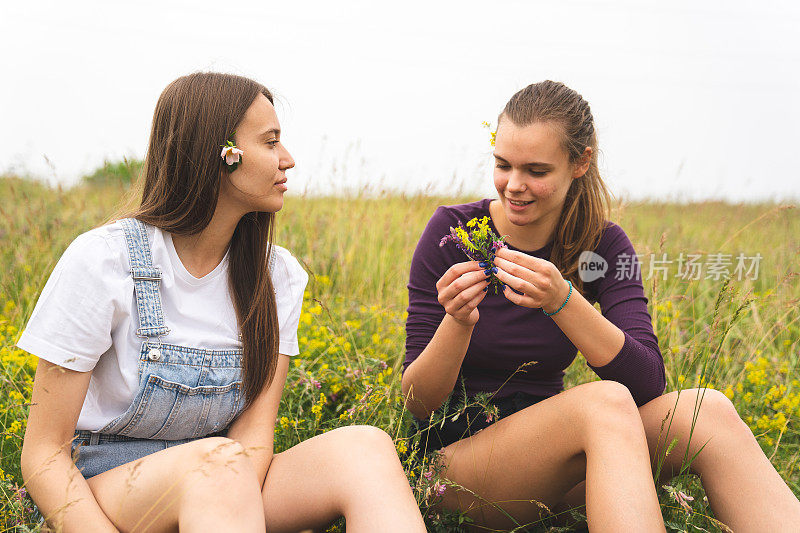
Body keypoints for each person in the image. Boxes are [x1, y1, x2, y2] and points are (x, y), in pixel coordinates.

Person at [18, 72, 426, 533]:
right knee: (217, 464)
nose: (288, 160)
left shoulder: (279, 276)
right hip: (108, 492)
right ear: (221, 153)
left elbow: (253, 438)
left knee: (364, 449)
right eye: (270, 142)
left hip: (225, 487)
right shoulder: (105, 261)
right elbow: (44, 455)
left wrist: (225, 508)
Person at [401, 80, 800, 532]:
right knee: (602, 404)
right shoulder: (452, 232)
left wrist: (563, 300)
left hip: (558, 471)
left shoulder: (604, 246)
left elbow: (648, 384)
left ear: (580, 162)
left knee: (705, 411)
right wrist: (457, 322)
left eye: (536, 170)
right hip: (455, 475)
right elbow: (418, 402)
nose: (514, 185)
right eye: (503, 165)